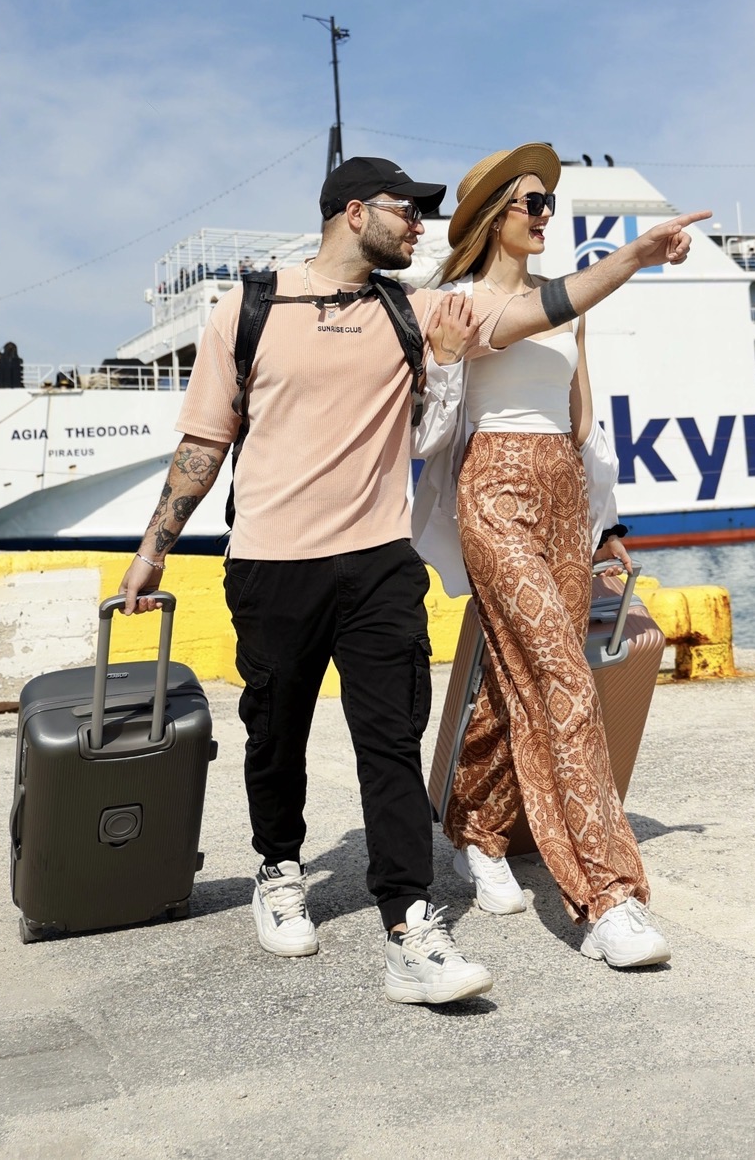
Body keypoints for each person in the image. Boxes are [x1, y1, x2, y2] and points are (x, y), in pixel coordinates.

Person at [118, 156, 496, 1007]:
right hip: (269, 562)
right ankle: (278, 867)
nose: (420, 227)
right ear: (353, 212)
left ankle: (408, 925)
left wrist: (629, 262)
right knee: (275, 729)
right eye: (408, 211)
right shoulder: (245, 309)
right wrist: (154, 545)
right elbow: (204, 443)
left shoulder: (413, 307)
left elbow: (533, 304)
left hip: (377, 560)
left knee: (391, 740)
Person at [413, 143, 708, 970]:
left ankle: (478, 829)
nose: (545, 216)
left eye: (549, 204)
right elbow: (440, 422)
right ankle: (606, 899)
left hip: (562, 491)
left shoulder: (569, 309)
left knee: (517, 682)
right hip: (495, 489)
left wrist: (606, 525)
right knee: (564, 681)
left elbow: (581, 425)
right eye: (531, 204)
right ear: (489, 217)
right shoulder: (456, 303)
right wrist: (637, 256)